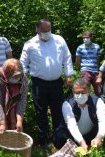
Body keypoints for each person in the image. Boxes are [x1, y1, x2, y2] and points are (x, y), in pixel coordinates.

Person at [20, 18, 75, 147]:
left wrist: (68, 75)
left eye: (49, 30)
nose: (47, 32)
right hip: (39, 83)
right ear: (37, 30)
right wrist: (23, 78)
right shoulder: (29, 44)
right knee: (41, 112)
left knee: (57, 110)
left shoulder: (59, 40)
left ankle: (58, 138)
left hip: (57, 82)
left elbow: (67, 57)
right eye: (44, 30)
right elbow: (22, 63)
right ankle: (43, 140)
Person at [53, 77, 105, 150]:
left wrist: (99, 137)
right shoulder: (67, 104)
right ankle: (77, 146)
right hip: (72, 135)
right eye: (77, 93)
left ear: (89, 91)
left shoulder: (98, 101)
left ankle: (95, 142)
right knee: (58, 137)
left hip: (91, 133)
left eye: (83, 93)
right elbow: (72, 126)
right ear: (73, 91)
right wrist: (81, 142)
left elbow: (103, 121)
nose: (80, 95)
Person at [75, 30, 101, 96]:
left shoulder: (97, 47)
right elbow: (77, 61)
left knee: (99, 91)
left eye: (87, 37)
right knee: (85, 89)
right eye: (84, 37)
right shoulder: (80, 47)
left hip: (95, 71)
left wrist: (96, 67)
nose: (85, 39)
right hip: (85, 71)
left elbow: (98, 59)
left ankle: (98, 104)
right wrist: (82, 69)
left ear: (91, 37)